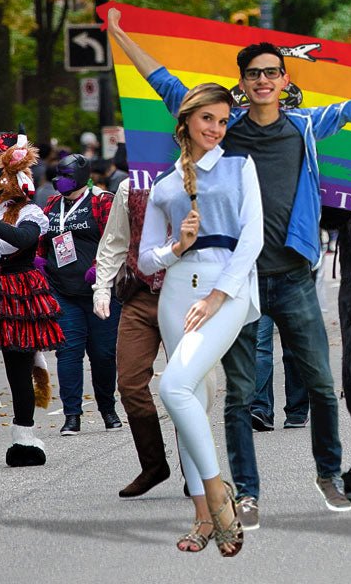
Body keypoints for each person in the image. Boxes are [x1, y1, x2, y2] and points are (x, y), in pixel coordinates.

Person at [107, 7, 351, 525]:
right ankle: (246, 493)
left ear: (284, 79)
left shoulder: (306, 127)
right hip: (237, 283)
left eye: (272, 72)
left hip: (293, 278)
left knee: (318, 382)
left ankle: (329, 475)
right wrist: (120, 36)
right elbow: (165, 83)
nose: (264, 80)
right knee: (241, 394)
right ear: (242, 85)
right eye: (254, 75)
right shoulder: (223, 129)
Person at [139, 82, 261, 556]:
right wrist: (177, 247)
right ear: (187, 120)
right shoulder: (165, 185)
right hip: (176, 293)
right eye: (208, 118)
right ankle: (201, 519)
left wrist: (216, 296)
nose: (216, 128)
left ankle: (217, 500)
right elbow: (147, 261)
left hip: (225, 290)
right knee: (188, 399)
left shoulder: (239, 165)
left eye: (223, 120)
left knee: (172, 386)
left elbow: (252, 239)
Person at [0, 131, 61, 469]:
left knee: (19, 371)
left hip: (17, 294)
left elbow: (21, 241)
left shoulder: (29, 212)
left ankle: (24, 438)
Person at [92, 179, 171, 497]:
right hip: (139, 296)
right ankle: (153, 464)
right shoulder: (131, 186)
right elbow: (114, 242)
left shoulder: (203, 176)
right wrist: (102, 287)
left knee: (185, 386)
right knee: (129, 383)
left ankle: (197, 469)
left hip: (184, 296)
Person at [40, 154, 121, 436]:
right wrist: (40, 261)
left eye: (65, 174)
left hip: (101, 291)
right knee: (68, 353)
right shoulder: (52, 204)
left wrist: (100, 269)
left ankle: (108, 409)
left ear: (80, 175)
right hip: (63, 291)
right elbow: (43, 239)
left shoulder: (102, 201)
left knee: (103, 354)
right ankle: (72, 414)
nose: (58, 179)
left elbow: (117, 240)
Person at [250, 312, 309, 430]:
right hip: (260, 294)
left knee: (293, 348)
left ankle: (297, 411)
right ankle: (261, 409)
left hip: (292, 294)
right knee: (259, 346)